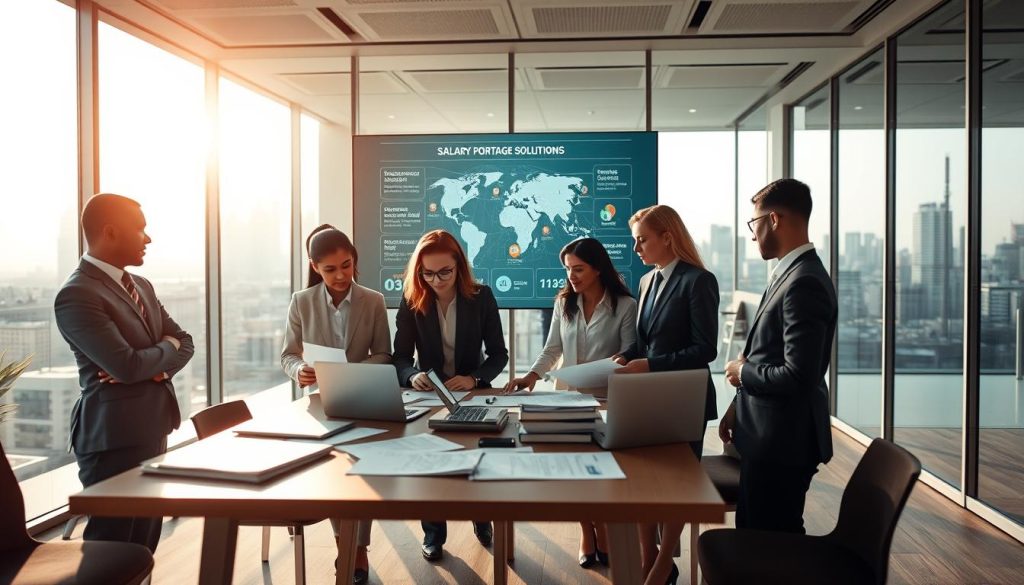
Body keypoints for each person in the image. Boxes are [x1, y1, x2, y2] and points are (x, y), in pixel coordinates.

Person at [54, 193, 194, 552]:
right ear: (110, 232)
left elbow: (186, 341)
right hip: (112, 440)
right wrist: (165, 349)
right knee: (111, 551)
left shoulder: (141, 285)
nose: (149, 238)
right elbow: (126, 366)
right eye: (140, 229)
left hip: (153, 429)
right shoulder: (77, 294)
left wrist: (158, 367)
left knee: (145, 547)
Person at [504, 237, 636, 569]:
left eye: (578, 269)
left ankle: (602, 526)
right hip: (567, 396)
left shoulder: (624, 305)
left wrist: (621, 360)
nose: (571, 276)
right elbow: (552, 349)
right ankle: (587, 532)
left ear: (597, 268)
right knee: (575, 471)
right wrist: (531, 376)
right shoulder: (564, 302)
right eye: (567, 269)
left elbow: (630, 351)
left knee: (601, 470)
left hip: (607, 399)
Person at [720, 178, 836, 534]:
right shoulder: (788, 274)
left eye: (754, 223)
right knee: (758, 537)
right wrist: (738, 407)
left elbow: (798, 375)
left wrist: (742, 372)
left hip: (782, 444)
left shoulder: (804, 282)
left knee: (769, 545)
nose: (752, 235)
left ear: (774, 220)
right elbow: (767, 353)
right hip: (767, 436)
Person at [612, 204, 719, 585]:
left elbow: (705, 349)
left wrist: (651, 365)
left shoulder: (698, 281)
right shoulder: (647, 281)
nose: (636, 249)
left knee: (677, 483)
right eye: (635, 241)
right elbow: (646, 342)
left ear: (667, 237)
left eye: (642, 240)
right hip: (649, 396)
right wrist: (626, 356)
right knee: (643, 480)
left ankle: (661, 567)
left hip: (684, 399)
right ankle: (648, 556)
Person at [280, 224, 391, 584]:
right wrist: (299, 371)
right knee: (334, 475)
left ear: (354, 260)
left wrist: (352, 373)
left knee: (361, 474)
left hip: (362, 398)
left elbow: (384, 354)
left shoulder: (373, 300)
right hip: (321, 403)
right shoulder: (301, 301)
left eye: (346, 265)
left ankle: (358, 548)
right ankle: (345, 542)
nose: (341, 275)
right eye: (330, 269)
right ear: (315, 267)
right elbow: (288, 354)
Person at [393, 229, 508, 562]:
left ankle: (481, 519)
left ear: (460, 267)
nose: (436, 280)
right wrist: (412, 375)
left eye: (444, 272)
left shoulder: (481, 297)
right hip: (429, 393)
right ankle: (433, 534)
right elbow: (400, 358)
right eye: (427, 273)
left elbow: (498, 355)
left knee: (474, 457)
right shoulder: (412, 298)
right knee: (430, 462)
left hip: (470, 393)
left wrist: (475, 378)